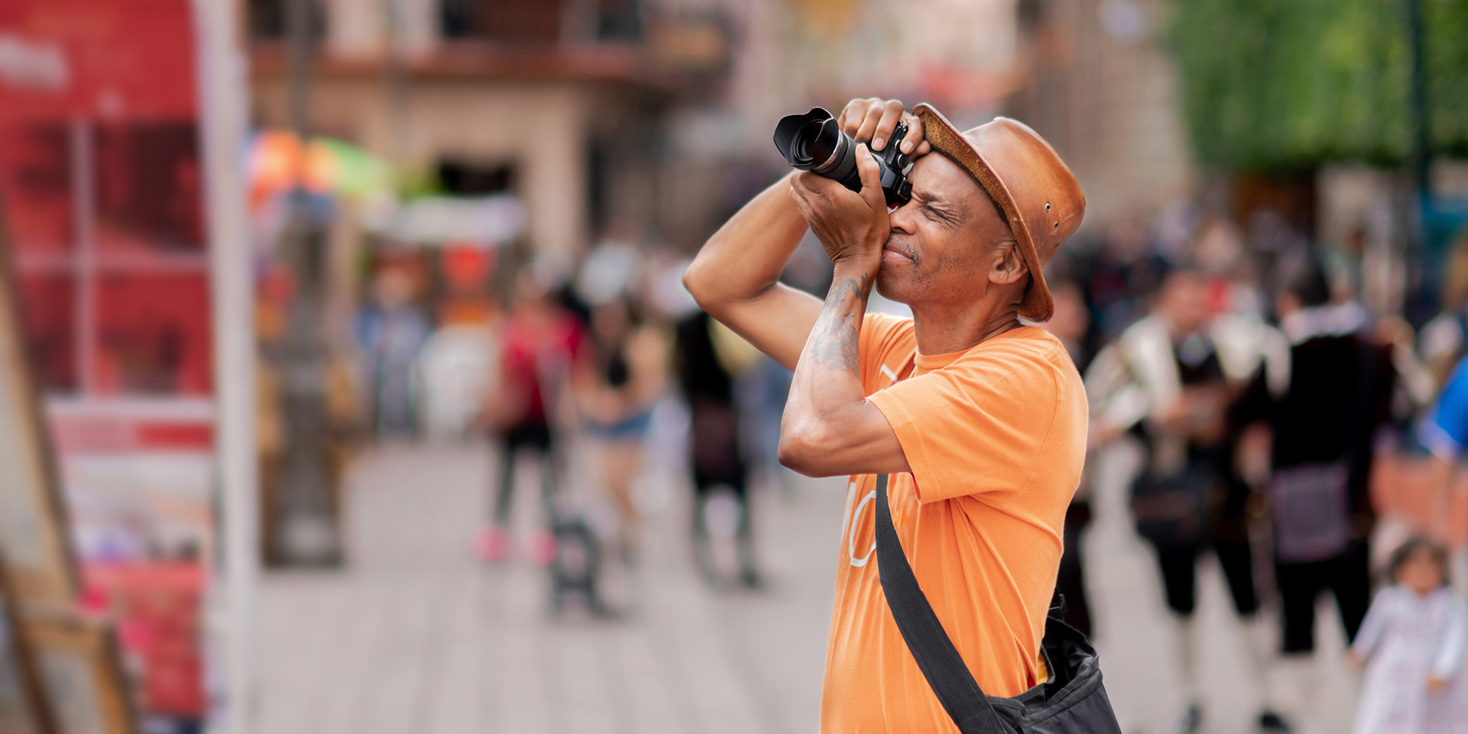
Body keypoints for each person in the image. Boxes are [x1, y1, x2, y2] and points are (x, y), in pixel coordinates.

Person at [684, 97, 1088, 730]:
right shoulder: (899, 351)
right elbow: (719, 281)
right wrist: (819, 178)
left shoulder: (1027, 377)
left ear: (1006, 263)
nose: (896, 220)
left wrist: (852, 264)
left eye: (935, 212)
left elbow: (812, 437)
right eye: (905, 196)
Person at [1086, 269, 1288, 733]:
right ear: (1163, 303)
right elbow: (1107, 410)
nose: (1192, 309)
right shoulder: (1138, 352)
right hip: (1171, 494)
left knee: (1247, 597)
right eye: (1183, 300)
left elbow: (1265, 389)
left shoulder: (1238, 344)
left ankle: (1266, 696)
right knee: (1180, 601)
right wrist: (1157, 415)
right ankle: (1189, 696)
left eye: (1199, 301)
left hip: (1230, 495)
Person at [1230, 255, 1396, 730]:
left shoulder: (1280, 351)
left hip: (1292, 502)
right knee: (1357, 608)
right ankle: (1372, 712)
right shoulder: (1371, 351)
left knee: (1297, 608)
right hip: (1355, 499)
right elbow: (1398, 410)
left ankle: (1306, 716)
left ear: (1289, 300)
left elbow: (1242, 414)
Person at [479, 269, 582, 562]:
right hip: (517, 413)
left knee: (551, 475)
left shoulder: (563, 328)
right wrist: (492, 403)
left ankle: (547, 530)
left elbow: (576, 369)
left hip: (547, 414)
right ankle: (498, 531)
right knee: (506, 473)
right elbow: (500, 368)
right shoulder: (510, 328)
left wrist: (572, 406)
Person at [572, 295, 668, 563]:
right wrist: (596, 405)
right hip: (601, 422)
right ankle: (619, 533)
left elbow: (650, 387)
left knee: (620, 482)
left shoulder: (639, 345)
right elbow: (582, 382)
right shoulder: (592, 346)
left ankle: (631, 532)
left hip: (630, 422)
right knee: (600, 483)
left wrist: (619, 406)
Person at [674, 309, 762, 587]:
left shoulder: (685, 325)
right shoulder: (725, 322)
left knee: (704, 493)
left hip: (701, 415)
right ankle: (738, 560)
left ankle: (710, 561)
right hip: (722, 415)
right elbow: (743, 363)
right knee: (734, 490)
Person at [1348, 537, 1468, 734]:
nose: (1423, 572)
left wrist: (1443, 670)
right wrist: (1360, 650)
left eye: (1431, 565)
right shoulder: (1390, 600)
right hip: (1393, 673)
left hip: (1432, 678)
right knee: (1384, 715)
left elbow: (1453, 641)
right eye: (1415, 566)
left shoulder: (1450, 604)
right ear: (1400, 571)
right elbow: (1372, 629)